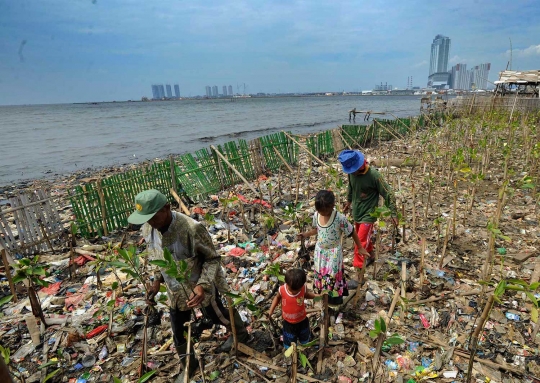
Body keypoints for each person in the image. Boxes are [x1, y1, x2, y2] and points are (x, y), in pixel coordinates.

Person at [128, 189, 250, 382]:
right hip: (175, 289)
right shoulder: (148, 229)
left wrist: (202, 285)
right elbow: (156, 257)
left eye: (153, 217)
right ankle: (188, 365)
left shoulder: (191, 228)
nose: (150, 222)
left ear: (166, 208)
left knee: (217, 314)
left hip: (201, 282)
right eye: (146, 218)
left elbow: (212, 259)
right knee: (178, 330)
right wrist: (156, 281)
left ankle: (241, 335)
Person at [297, 190, 369, 305]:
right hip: (320, 251)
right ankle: (324, 298)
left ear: (332, 206)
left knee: (333, 277)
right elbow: (317, 229)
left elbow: (351, 232)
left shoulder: (339, 218)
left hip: (333, 253)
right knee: (320, 274)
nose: (323, 213)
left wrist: (360, 247)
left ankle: (334, 301)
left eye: (326, 211)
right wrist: (305, 234)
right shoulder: (316, 215)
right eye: (321, 211)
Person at [338, 150, 398, 269]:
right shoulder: (352, 174)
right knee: (363, 237)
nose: (351, 173)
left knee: (359, 242)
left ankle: (359, 271)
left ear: (359, 166)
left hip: (369, 214)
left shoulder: (374, 175)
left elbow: (388, 192)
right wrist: (348, 202)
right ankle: (370, 254)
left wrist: (393, 212)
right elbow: (351, 187)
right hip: (357, 211)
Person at [268, 268, 319, 349]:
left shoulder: (303, 288)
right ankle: (291, 353)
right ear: (286, 284)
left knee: (305, 338)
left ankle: (305, 349)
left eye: (297, 290)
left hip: (302, 321)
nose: (294, 292)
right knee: (289, 343)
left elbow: (307, 295)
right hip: (288, 323)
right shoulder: (282, 290)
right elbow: (277, 298)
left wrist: (318, 296)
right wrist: (270, 311)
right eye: (292, 290)